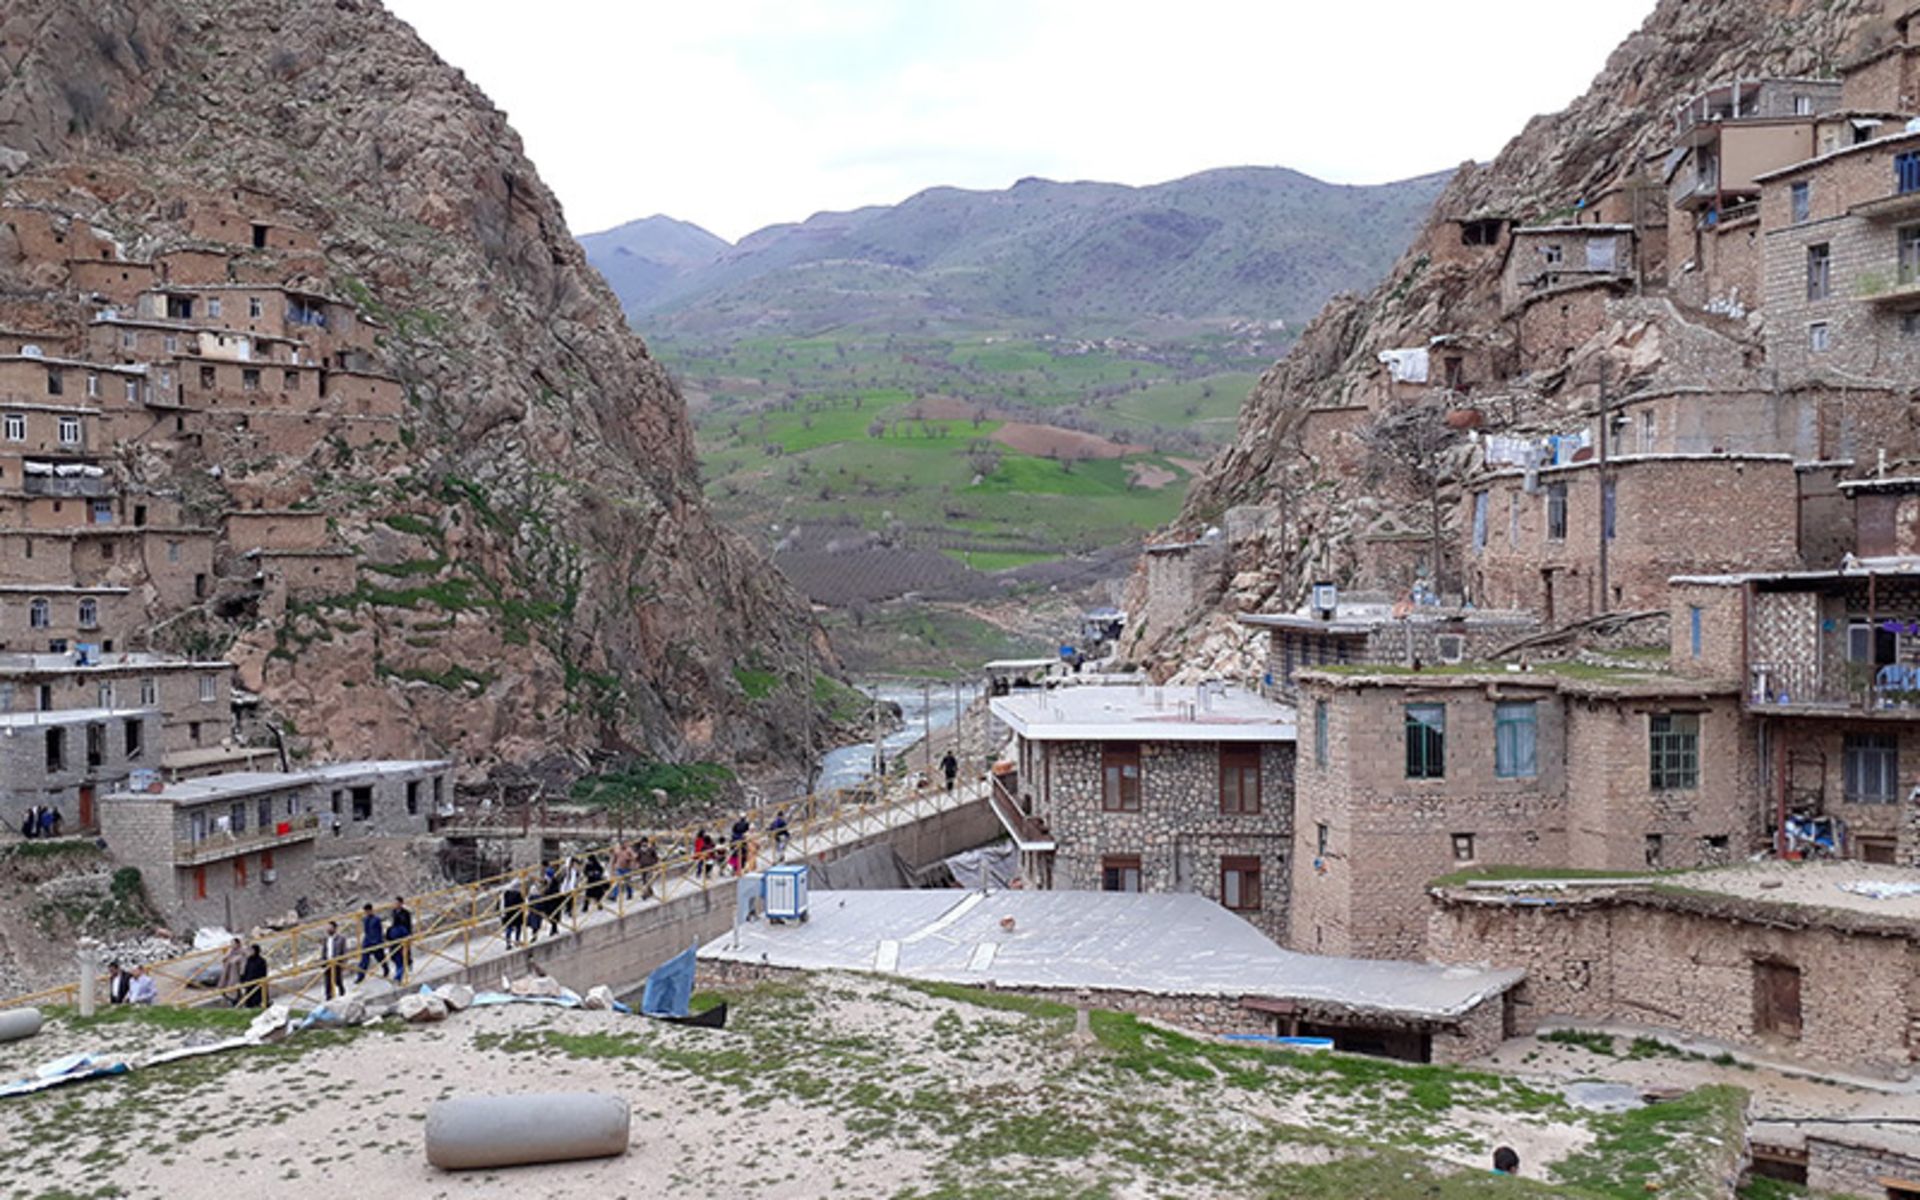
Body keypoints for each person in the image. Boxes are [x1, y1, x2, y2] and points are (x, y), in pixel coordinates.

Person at [354, 903, 384, 983]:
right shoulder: (365, 919)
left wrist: (379, 942)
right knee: (364, 961)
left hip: (375, 942)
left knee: (380, 958)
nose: (366, 913)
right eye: (365, 911)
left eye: (367, 911)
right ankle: (360, 976)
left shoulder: (376, 919)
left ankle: (386, 968)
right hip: (367, 942)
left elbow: (379, 931)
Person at [320, 921, 349, 1000]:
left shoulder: (341, 938)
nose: (328, 929)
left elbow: (344, 951)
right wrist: (322, 961)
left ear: (335, 928)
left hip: (336, 962)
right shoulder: (326, 939)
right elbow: (324, 950)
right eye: (327, 928)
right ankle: (328, 997)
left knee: (337, 980)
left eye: (330, 928)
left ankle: (342, 993)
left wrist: (344, 962)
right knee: (327, 982)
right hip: (328, 962)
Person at [386, 898, 413, 984]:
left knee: (403, 958)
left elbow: (409, 925)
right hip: (395, 942)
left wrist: (409, 936)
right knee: (397, 959)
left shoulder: (406, 913)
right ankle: (399, 974)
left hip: (402, 939)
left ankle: (398, 977)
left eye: (397, 903)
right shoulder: (393, 913)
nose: (395, 904)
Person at [238, 944, 268, 1008]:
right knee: (249, 1003)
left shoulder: (261, 961)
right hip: (249, 985)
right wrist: (242, 980)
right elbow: (246, 971)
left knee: (258, 1002)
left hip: (258, 985)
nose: (250, 952)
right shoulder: (249, 960)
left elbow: (263, 973)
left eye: (252, 950)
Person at [219, 937, 246, 1005]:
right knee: (227, 987)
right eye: (231, 943)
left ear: (238, 944)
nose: (232, 945)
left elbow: (243, 963)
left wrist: (242, 973)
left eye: (233, 944)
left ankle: (236, 1001)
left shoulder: (242, 952)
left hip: (235, 974)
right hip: (227, 974)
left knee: (234, 988)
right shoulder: (230, 951)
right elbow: (223, 959)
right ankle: (233, 999)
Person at [502, 879, 526, 946]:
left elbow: (504, 903)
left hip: (508, 914)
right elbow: (522, 903)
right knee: (518, 928)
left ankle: (508, 943)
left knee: (509, 928)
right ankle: (517, 941)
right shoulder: (518, 894)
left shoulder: (506, 893)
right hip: (517, 915)